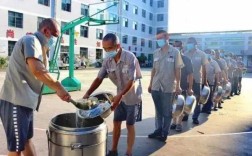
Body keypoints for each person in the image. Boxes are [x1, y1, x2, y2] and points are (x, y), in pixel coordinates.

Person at [0, 18, 71, 156]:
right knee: (16, 148)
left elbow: (42, 75)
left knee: (26, 140)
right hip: (15, 101)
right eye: (55, 36)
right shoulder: (30, 40)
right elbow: (38, 70)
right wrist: (58, 87)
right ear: (45, 31)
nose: (55, 40)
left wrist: (57, 88)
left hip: (26, 102)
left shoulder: (40, 46)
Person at [83, 33, 141, 156]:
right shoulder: (108, 61)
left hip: (132, 96)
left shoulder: (130, 58)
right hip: (118, 95)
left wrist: (120, 96)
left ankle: (129, 152)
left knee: (130, 124)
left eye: (109, 48)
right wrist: (88, 93)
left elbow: (132, 81)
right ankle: (113, 150)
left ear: (118, 46)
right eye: (104, 49)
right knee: (116, 122)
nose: (107, 51)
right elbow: (99, 78)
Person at [147, 30, 184, 141]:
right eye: (157, 39)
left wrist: (178, 85)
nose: (159, 41)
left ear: (167, 37)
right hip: (155, 86)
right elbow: (153, 69)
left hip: (168, 87)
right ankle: (158, 130)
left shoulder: (175, 52)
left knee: (167, 111)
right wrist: (150, 83)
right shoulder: (156, 53)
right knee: (158, 111)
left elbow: (178, 70)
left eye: (161, 38)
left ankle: (164, 132)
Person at [183, 37, 208, 125]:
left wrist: (205, 81)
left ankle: (195, 117)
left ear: (195, 44)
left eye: (190, 43)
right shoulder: (185, 54)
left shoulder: (202, 54)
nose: (188, 44)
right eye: (187, 42)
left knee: (197, 99)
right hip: (187, 81)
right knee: (186, 99)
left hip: (197, 80)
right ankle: (185, 115)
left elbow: (204, 68)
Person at [170, 40, 194, 132]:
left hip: (182, 86)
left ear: (181, 47)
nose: (176, 48)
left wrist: (190, 88)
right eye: (174, 46)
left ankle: (179, 123)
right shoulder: (171, 58)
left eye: (178, 46)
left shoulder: (186, 60)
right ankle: (174, 122)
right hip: (170, 86)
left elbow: (191, 74)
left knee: (181, 105)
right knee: (172, 105)